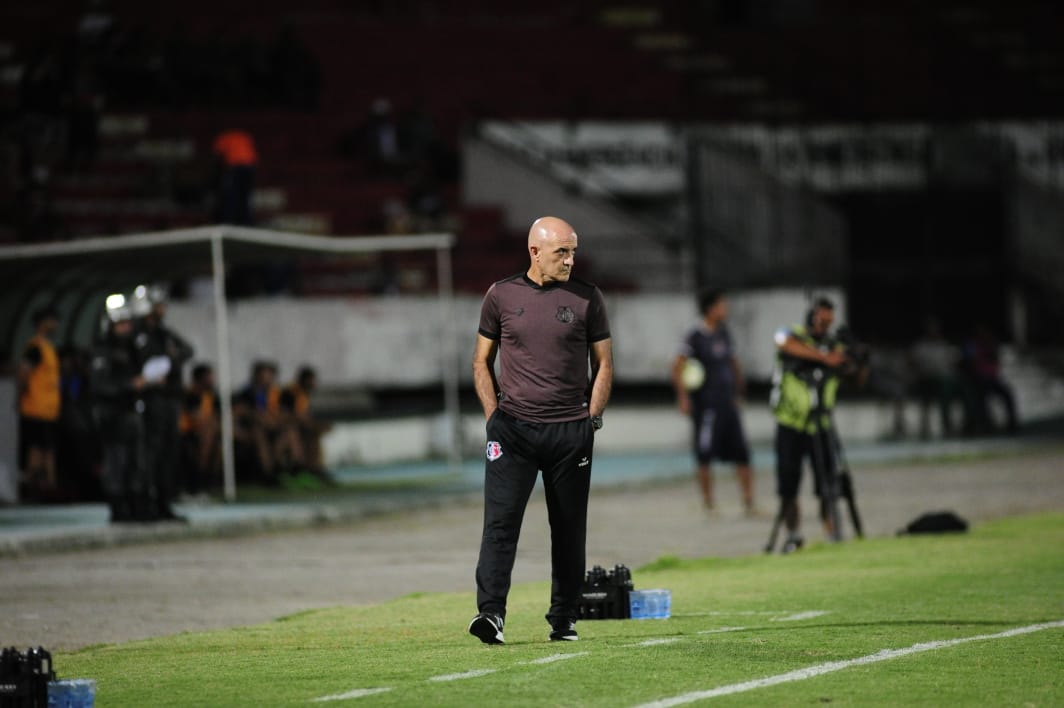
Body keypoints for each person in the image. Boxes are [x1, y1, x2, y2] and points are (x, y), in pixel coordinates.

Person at [468, 216, 613, 645]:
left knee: (568, 528)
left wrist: (592, 418)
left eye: (573, 251)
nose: (570, 260)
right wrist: (494, 417)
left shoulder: (588, 298)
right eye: (561, 252)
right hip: (512, 433)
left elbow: (603, 363)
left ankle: (564, 617)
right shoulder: (500, 295)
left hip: (570, 433)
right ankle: (490, 615)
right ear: (535, 252)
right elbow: (481, 361)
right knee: (500, 524)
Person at [769, 297, 853, 553]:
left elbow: (850, 372)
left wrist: (848, 357)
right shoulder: (793, 334)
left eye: (829, 321)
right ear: (811, 316)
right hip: (790, 423)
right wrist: (822, 357)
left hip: (821, 424)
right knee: (788, 486)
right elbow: (782, 341)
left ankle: (832, 533)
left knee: (827, 483)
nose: (824, 326)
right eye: (821, 319)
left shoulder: (834, 345)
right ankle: (793, 535)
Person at [671, 289, 755, 514]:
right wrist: (683, 397)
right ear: (710, 308)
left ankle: (748, 502)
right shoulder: (695, 335)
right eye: (721, 305)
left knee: (742, 452)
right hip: (706, 406)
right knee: (704, 453)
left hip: (728, 403)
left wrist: (739, 391)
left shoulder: (724, 332)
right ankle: (709, 503)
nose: (725, 309)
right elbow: (677, 367)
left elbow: (733, 362)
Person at [132, 285, 194, 521]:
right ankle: (145, 503)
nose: (162, 310)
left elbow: (187, 350)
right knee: (150, 453)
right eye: (159, 305)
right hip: (150, 400)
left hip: (168, 399)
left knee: (169, 453)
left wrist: (170, 359)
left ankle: (164, 502)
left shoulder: (163, 333)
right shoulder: (137, 334)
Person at [90, 293, 150, 522]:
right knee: (117, 461)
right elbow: (100, 385)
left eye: (128, 323)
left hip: (129, 411)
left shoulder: (131, 349)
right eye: (121, 323)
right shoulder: (103, 350)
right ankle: (118, 507)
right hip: (112, 414)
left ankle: (134, 504)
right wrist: (129, 385)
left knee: (135, 461)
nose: (126, 328)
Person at [17, 307, 62, 500]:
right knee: (36, 449)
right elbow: (24, 372)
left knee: (48, 449)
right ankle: (33, 488)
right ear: (43, 323)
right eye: (53, 321)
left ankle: (48, 488)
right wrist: (21, 394)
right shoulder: (35, 347)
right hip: (35, 407)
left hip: (48, 409)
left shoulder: (48, 347)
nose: (56, 325)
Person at [280, 365, 333, 483]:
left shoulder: (303, 395)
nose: (314, 384)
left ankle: (315, 467)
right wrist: (314, 424)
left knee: (315, 435)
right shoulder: (291, 393)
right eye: (311, 381)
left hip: (296, 426)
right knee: (302, 434)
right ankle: (303, 467)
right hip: (286, 427)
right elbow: (293, 415)